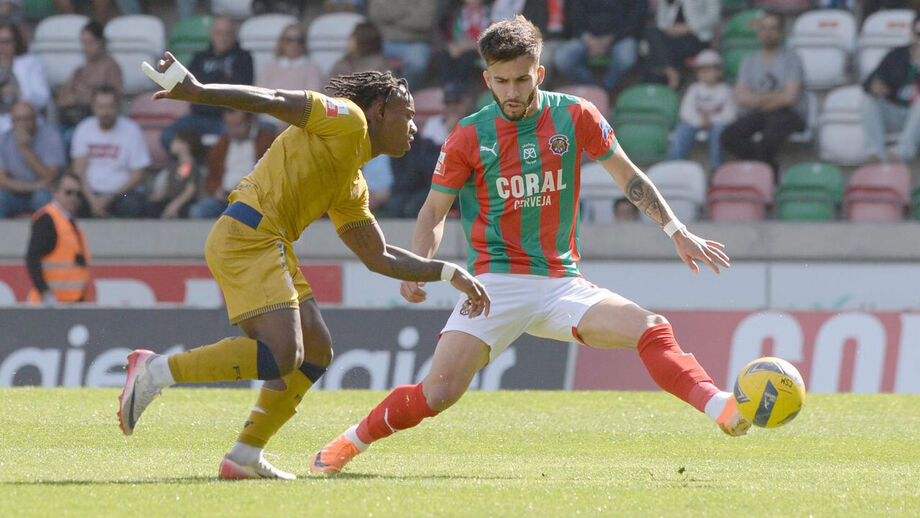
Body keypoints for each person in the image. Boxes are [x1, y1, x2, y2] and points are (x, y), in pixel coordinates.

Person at [309, 16, 750, 476]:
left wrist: (676, 230)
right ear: (487, 79)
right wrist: (421, 267)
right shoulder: (469, 135)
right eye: (501, 81)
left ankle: (720, 406)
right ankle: (345, 444)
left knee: (652, 328)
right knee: (436, 395)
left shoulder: (575, 115)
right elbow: (432, 213)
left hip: (563, 283)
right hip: (494, 285)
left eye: (522, 79)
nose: (513, 91)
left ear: (539, 73)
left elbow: (627, 175)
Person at [117, 52, 491, 481]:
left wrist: (447, 272)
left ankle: (244, 455)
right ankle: (156, 371)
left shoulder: (353, 181)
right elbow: (275, 99)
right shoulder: (348, 119)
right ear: (379, 110)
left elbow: (378, 256)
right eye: (407, 114)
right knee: (283, 353)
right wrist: (200, 93)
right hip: (248, 235)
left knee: (315, 352)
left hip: (269, 242)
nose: (414, 126)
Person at [720, 11, 807, 174]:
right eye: (764, 28)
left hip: (790, 114)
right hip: (761, 113)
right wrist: (776, 95)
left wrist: (757, 98)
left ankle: (762, 176)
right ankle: (767, 168)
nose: (767, 33)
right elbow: (740, 97)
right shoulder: (749, 61)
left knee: (768, 138)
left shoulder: (792, 59)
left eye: (773, 28)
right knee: (728, 136)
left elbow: (790, 98)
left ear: (781, 32)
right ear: (758, 32)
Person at [160, 16, 254, 148]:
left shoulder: (243, 57)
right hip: (198, 116)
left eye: (228, 33)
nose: (223, 37)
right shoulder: (200, 57)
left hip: (226, 117)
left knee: (233, 140)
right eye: (219, 33)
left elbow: (242, 89)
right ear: (211, 34)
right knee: (168, 135)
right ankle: (188, 164)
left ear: (234, 35)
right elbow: (190, 87)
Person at [386, 83, 474, 218]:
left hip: (467, 186)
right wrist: (448, 132)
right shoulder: (434, 125)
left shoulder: (474, 125)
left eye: (456, 104)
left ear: (466, 103)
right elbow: (426, 164)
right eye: (449, 104)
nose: (452, 109)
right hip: (437, 184)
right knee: (403, 204)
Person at [72, 86, 151, 218]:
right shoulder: (84, 129)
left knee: (133, 205)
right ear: (93, 107)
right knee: (72, 202)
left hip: (122, 193)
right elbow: (79, 171)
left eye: (109, 107)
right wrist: (93, 200)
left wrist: (111, 197)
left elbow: (138, 173)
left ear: (117, 107)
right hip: (90, 193)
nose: (105, 112)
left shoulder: (132, 130)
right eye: (101, 107)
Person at [188, 109, 274, 219]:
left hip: (254, 199)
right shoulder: (220, 145)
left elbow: (273, 173)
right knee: (197, 212)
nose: (232, 130)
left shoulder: (266, 141)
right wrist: (216, 191)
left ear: (250, 121)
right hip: (224, 197)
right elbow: (211, 177)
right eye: (228, 125)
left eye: (237, 125)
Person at [861, 12, 920, 164]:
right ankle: (876, 153)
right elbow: (868, 82)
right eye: (919, 34)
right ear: (912, 34)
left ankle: (901, 154)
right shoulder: (897, 55)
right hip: (897, 111)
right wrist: (875, 87)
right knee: (868, 99)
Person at [553, 0, 646, 92]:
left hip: (620, 37)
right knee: (563, 58)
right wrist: (589, 40)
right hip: (586, 38)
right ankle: (594, 89)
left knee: (626, 58)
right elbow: (574, 16)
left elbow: (636, 19)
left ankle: (606, 87)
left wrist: (610, 39)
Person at [26, 173, 90, 304]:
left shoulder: (68, 221)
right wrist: (44, 292)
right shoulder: (47, 219)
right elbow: (33, 257)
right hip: (52, 304)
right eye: (68, 192)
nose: (74, 198)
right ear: (55, 193)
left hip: (70, 302)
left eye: (78, 194)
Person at [666, 49, 736, 171]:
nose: (705, 74)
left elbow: (730, 115)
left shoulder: (725, 90)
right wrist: (700, 122)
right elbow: (685, 112)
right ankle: (673, 165)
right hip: (696, 124)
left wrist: (711, 120)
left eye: (710, 70)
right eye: (702, 70)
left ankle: (716, 168)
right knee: (681, 130)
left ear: (719, 72)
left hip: (716, 125)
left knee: (719, 132)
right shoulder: (694, 88)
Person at [55, 21, 124, 140]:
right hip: (71, 119)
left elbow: (113, 99)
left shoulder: (111, 67)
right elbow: (62, 97)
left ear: (101, 42)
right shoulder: (81, 68)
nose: (86, 47)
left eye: (90, 42)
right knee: (53, 135)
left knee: (69, 137)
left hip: (96, 122)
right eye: (83, 42)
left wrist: (79, 97)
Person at [0, 101, 66, 218]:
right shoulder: (3, 140)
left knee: (43, 197)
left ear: (35, 119)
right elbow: (2, 181)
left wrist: (26, 149)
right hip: (14, 192)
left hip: (43, 192)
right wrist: (34, 187)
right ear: (12, 121)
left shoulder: (51, 136)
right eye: (18, 120)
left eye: (27, 119)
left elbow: (49, 177)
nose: (23, 124)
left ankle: (46, 234)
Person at [645, 0, 719, 90]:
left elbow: (713, 18)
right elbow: (661, 20)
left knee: (655, 54)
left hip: (697, 36)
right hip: (672, 36)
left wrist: (688, 27)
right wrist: (670, 29)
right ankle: (671, 73)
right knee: (651, 32)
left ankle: (668, 77)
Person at [367, 0, 437, 88]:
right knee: (364, 53)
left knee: (417, 63)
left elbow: (424, 22)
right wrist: (409, 8)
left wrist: (391, 12)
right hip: (381, 40)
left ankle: (403, 94)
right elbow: (374, 14)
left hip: (415, 42)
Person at [145, 128, 202, 219]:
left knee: (184, 212)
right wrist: (159, 195)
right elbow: (169, 184)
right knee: (151, 207)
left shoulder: (191, 166)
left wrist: (175, 205)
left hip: (183, 202)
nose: (171, 144)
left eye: (175, 141)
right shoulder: (175, 165)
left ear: (186, 145)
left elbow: (190, 190)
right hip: (169, 199)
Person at [437, 0, 491, 90]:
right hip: (461, 45)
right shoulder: (458, 14)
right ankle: (448, 86)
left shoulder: (488, 14)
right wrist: (455, 45)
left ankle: (460, 87)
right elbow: (454, 34)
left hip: (480, 49)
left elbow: (489, 37)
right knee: (444, 54)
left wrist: (471, 45)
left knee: (467, 55)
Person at [0, 23, 50, 117]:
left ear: (16, 42)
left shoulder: (31, 63)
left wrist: (18, 92)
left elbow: (43, 99)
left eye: (6, 41)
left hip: (24, 119)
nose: (2, 46)